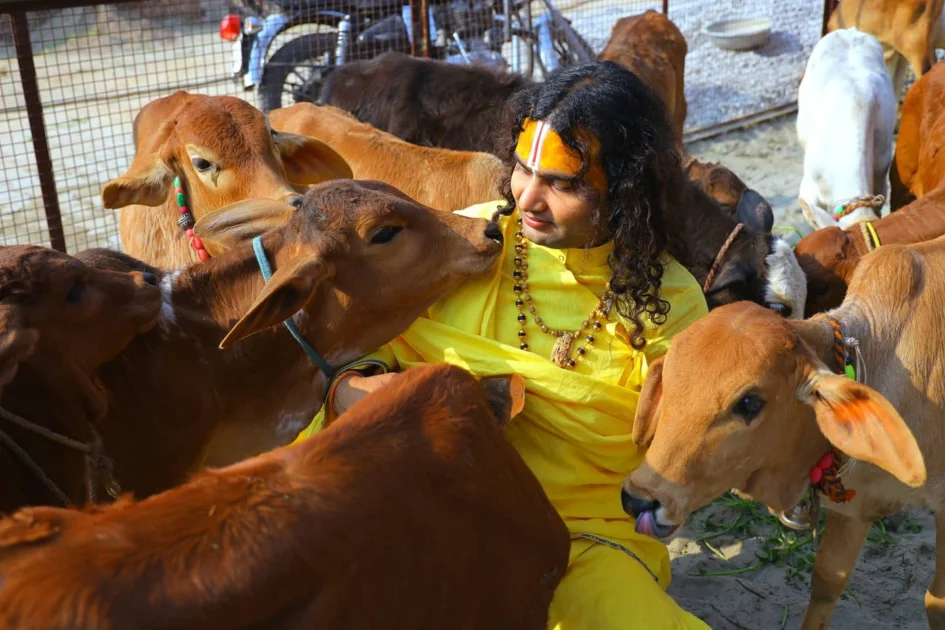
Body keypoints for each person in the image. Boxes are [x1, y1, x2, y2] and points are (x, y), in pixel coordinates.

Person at [294, 60, 711, 629]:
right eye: (521, 168)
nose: (528, 198)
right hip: (427, 512)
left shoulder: (674, 302)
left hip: (584, 543)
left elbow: (682, 455)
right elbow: (353, 347)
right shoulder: (464, 240)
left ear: (627, 187)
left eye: (562, 184)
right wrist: (357, 392)